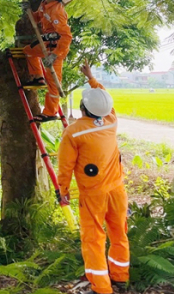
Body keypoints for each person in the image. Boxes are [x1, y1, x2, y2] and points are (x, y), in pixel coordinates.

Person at [58, 61, 129, 294]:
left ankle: (101, 287)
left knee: (93, 239)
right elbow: (104, 99)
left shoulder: (73, 132)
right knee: (119, 233)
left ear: (82, 107)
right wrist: (92, 78)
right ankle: (120, 276)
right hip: (117, 191)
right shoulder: (111, 121)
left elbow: (66, 166)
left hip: (93, 195)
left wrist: (63, 190)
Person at [21, 0, 77, 123]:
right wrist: (28, 11)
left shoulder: (57, 10)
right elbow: (37, 18)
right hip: (45, 44)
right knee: (28, 51)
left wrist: (55, 55)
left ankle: (50, 112)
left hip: (56, 50)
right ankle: (38, 77)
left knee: (53, 83)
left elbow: (66, 36)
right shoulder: (45, 4)